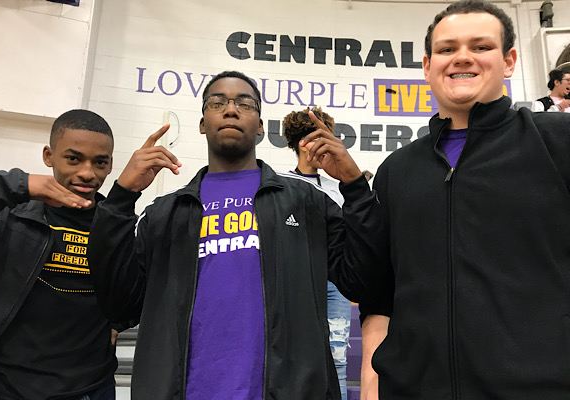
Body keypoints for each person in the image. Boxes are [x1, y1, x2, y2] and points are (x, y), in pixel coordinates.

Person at [87, 70, 380, 400]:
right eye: (217, 102)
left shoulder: (306, 203)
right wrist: (121, 198)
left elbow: (363, 280)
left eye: (244, 103)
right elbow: (119, 304)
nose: (230, 109)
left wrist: (355, 187)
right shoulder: (165, 215)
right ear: (202, 123)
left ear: (259, 127)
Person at [355, 1, 570, 399]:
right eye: (448, 49)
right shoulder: (396, 171)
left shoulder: (557, 141)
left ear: (508, 61)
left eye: (480, 46)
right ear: (427, 65)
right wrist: (371, 386)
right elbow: (381, 292)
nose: (462, 58)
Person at [0, 109, 122, 400]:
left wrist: (118, 323)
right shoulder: (10, 217)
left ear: (110, 164)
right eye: (73, 159)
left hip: (89, 389)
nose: (87, 173)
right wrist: (8, 186)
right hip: (5, 389)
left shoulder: (117, 226)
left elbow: (131, 293)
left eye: (99, 162)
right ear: (49, 156)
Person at [282, 106, 351, 400]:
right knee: (289, 357)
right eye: (320, 138)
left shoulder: (341, 187)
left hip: (335, 284)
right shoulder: (279, 184)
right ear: (303, 143)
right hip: (294, 282)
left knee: (337, 359)